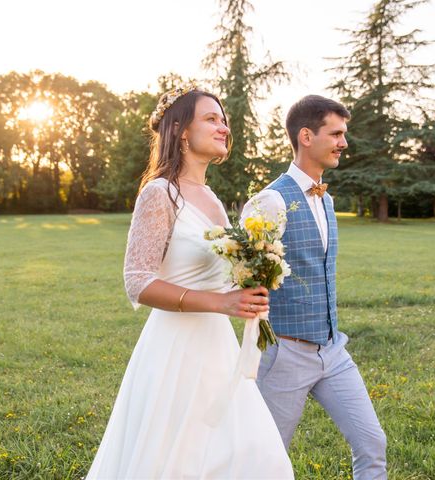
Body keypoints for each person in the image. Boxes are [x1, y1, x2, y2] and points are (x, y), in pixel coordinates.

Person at [86, 86, 293, 479]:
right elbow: (137, 281)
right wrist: (221, 304)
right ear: (181, 130)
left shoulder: (214, 200)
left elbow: (223, 278)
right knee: (174, 459)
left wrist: (251, 287)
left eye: (224, 120)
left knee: (256, 457)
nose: (223, 128)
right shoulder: (159, 193)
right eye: (211, 119)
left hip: (218, 351)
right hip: (174, 353)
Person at [241, 95, 387, 479]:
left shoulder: (327, 199)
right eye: (336, 133)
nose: (344, 142)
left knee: (373, 443)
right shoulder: (269, 201)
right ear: (306, 136)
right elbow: (242, 275)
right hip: (284, 354)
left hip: (333, 351)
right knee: (266, 459)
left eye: (344, 134)